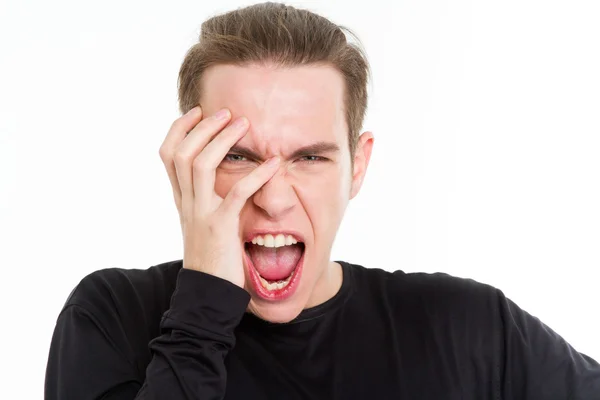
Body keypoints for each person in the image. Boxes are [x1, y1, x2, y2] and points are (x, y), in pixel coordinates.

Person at [44, 2, 600, 399]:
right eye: (238, 157)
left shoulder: (471, 328)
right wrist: (201, 312)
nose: (275, 198)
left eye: (309, 157)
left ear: (357, 166)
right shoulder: (110, 317)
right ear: (187, 160)